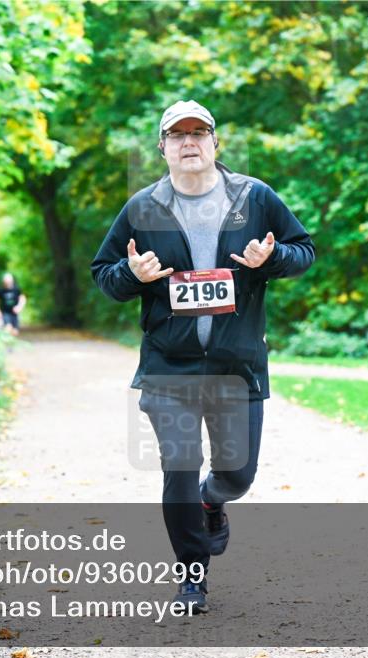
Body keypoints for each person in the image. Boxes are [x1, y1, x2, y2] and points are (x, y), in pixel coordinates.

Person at [91, 100, 315, 613]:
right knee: (180, 466)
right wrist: (135, 276)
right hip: (170, 367)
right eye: (178, 135)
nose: (189, 142)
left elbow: (304, 250)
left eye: (200, 132)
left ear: (216, 143)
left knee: (238, 475)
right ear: (163, 147)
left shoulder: (254, 197)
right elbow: (105, 275)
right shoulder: (142, 208)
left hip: (237, 366)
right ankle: (192, 577)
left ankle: (214, 500)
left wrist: (273, 257)